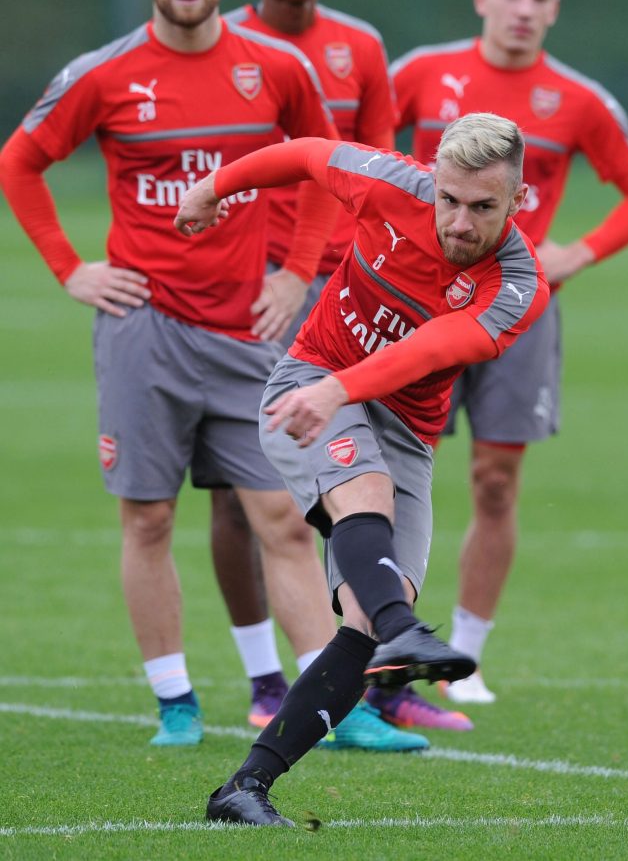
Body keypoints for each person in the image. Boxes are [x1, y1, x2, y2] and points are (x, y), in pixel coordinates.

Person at [0, 0, 344, 747]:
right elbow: (21, 160)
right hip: (142, 329)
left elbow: (325, 165)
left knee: (283, 517)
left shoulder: (276, 66)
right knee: (148, 519)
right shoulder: (105, 74)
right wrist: (70, 267)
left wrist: (297, 273)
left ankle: (330, 706)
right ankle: (176, 705)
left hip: (244, 332)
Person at [172, 112, 549, 825]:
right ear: (431, 183)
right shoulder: (388, 182)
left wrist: (342, 390)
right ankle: (405, 623)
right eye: (448, 199)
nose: (459, 223)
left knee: (363, 621)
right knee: (365, 506)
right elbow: (310, 153)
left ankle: (243, 789)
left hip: (397, 423)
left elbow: (434, 347)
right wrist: (214, 187)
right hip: (308, 383)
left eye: (482, 206)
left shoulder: (515, 285)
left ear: (517, 199)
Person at [204, 0, 464, 741]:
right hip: (251, 289)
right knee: (245, 499)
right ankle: (267, 679)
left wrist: (345, 268)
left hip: (349, 290)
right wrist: (274, 265)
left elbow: (377, 166)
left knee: (346, 497)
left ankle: (372, 690)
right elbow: (302, 161)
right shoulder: (235, 48)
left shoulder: (361, 47)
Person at [390, 0, 628, 704]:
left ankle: (465, 656)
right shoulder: (418, 73)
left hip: (517, 307)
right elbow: (356, 155)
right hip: (415, 301)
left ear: (554, 9)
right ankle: (384, 639)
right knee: (392, 473)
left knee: (495, 481)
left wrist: (574, 253)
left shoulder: (577, 99)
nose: (523, 8)